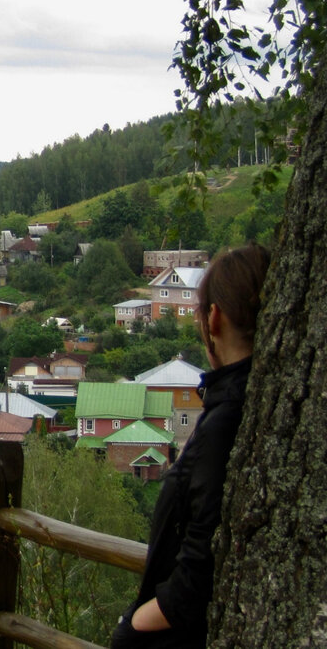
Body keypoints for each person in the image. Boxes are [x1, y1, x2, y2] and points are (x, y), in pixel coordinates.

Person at [111, 244, 271, 648]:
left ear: (213, 319)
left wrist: (132, 627)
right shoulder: (254, 399)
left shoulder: (227, 418)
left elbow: (195, 572)